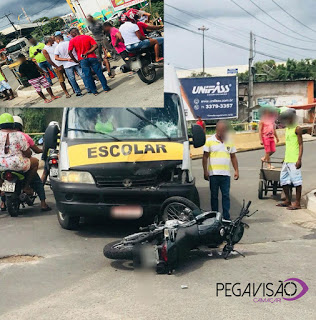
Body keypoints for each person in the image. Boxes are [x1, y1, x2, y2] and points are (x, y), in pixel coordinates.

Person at [13, 116, 51, 211]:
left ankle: (2, 203)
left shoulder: (5, 135)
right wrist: (42, 150)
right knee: (37, 181)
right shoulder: (23, 136)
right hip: (23, 165)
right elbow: (33, 150)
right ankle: (43, 203)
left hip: (6, 165)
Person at [202, 120, 239, 220]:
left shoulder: (229, 141)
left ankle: (226, 217)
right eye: (220, 130)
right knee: (214, 196)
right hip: (213, 174)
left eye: (223, 130)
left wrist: (236, 170)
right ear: (216, 130)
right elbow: (205, 157)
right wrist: (205, 171)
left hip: (225, 175)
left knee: (226, 196)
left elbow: (233, 157)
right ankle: (215, 217)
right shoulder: (210, 141)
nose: (221, 133)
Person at [0, 113, 38, 195]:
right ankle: (26, 186)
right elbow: (27, 153)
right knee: (35, 162)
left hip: (0, 165)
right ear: (13, 124)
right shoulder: (19, 135)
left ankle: (1, 186)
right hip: (17, 164)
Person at [68, 27, 111, 95]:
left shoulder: (72, 41)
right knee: (99, 72)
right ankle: (105, 88)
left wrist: (75, 60)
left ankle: (94, 91)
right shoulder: (87, 37)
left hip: (82, 59)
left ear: (74, 33)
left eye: (71, 34)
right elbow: (95, 46)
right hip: (92, 57)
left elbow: (69, 52)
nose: (71, 36)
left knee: (88, 76)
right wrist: (88, 52)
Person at [277, 109, 303, 210]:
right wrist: (285, 158)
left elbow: (300, 144)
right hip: (287, 160)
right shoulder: (288, 128)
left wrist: (299, 159)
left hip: (294, 160)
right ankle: (288, 200)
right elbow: (289, 145)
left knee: (297, 182)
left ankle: (297, 203)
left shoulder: (297, 129)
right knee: (283, 180)